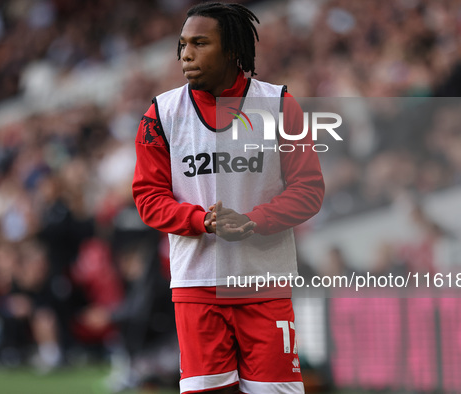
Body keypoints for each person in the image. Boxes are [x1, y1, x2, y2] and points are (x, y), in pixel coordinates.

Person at [132, 2, 324, 393]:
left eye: (200, 43)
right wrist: (202, 221)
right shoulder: (161, 114)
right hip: (197, 288)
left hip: (264, 285)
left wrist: (254, 221)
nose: (186, 54)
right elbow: (148, 197)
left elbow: (308, 189)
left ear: (233, 51)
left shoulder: (278, 104)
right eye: (183, 44)